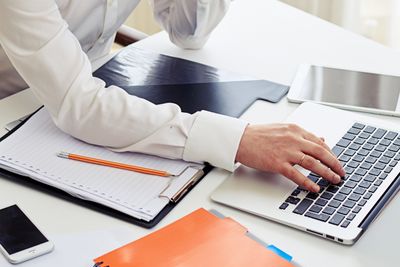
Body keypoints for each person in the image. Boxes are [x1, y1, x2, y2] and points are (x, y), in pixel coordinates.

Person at [0, 0, 345, 193]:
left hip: (95, 84)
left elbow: (188, 33)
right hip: (14, 111)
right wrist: (239, 141)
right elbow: (79, 104)